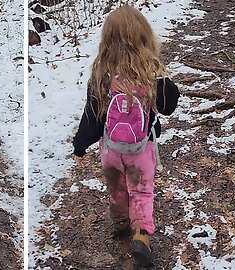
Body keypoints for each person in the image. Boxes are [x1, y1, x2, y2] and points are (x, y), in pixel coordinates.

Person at [73, 4, 179, 268]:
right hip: (141, 149)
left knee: (116, 187)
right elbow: (169, 105)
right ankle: (140, 237)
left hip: (110, 149)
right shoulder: (150, 73)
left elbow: (92, 115)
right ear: (144, 36)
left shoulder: (102, 75)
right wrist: (160, 80)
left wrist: (80, 145)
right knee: (142, 191)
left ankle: (120, 222)